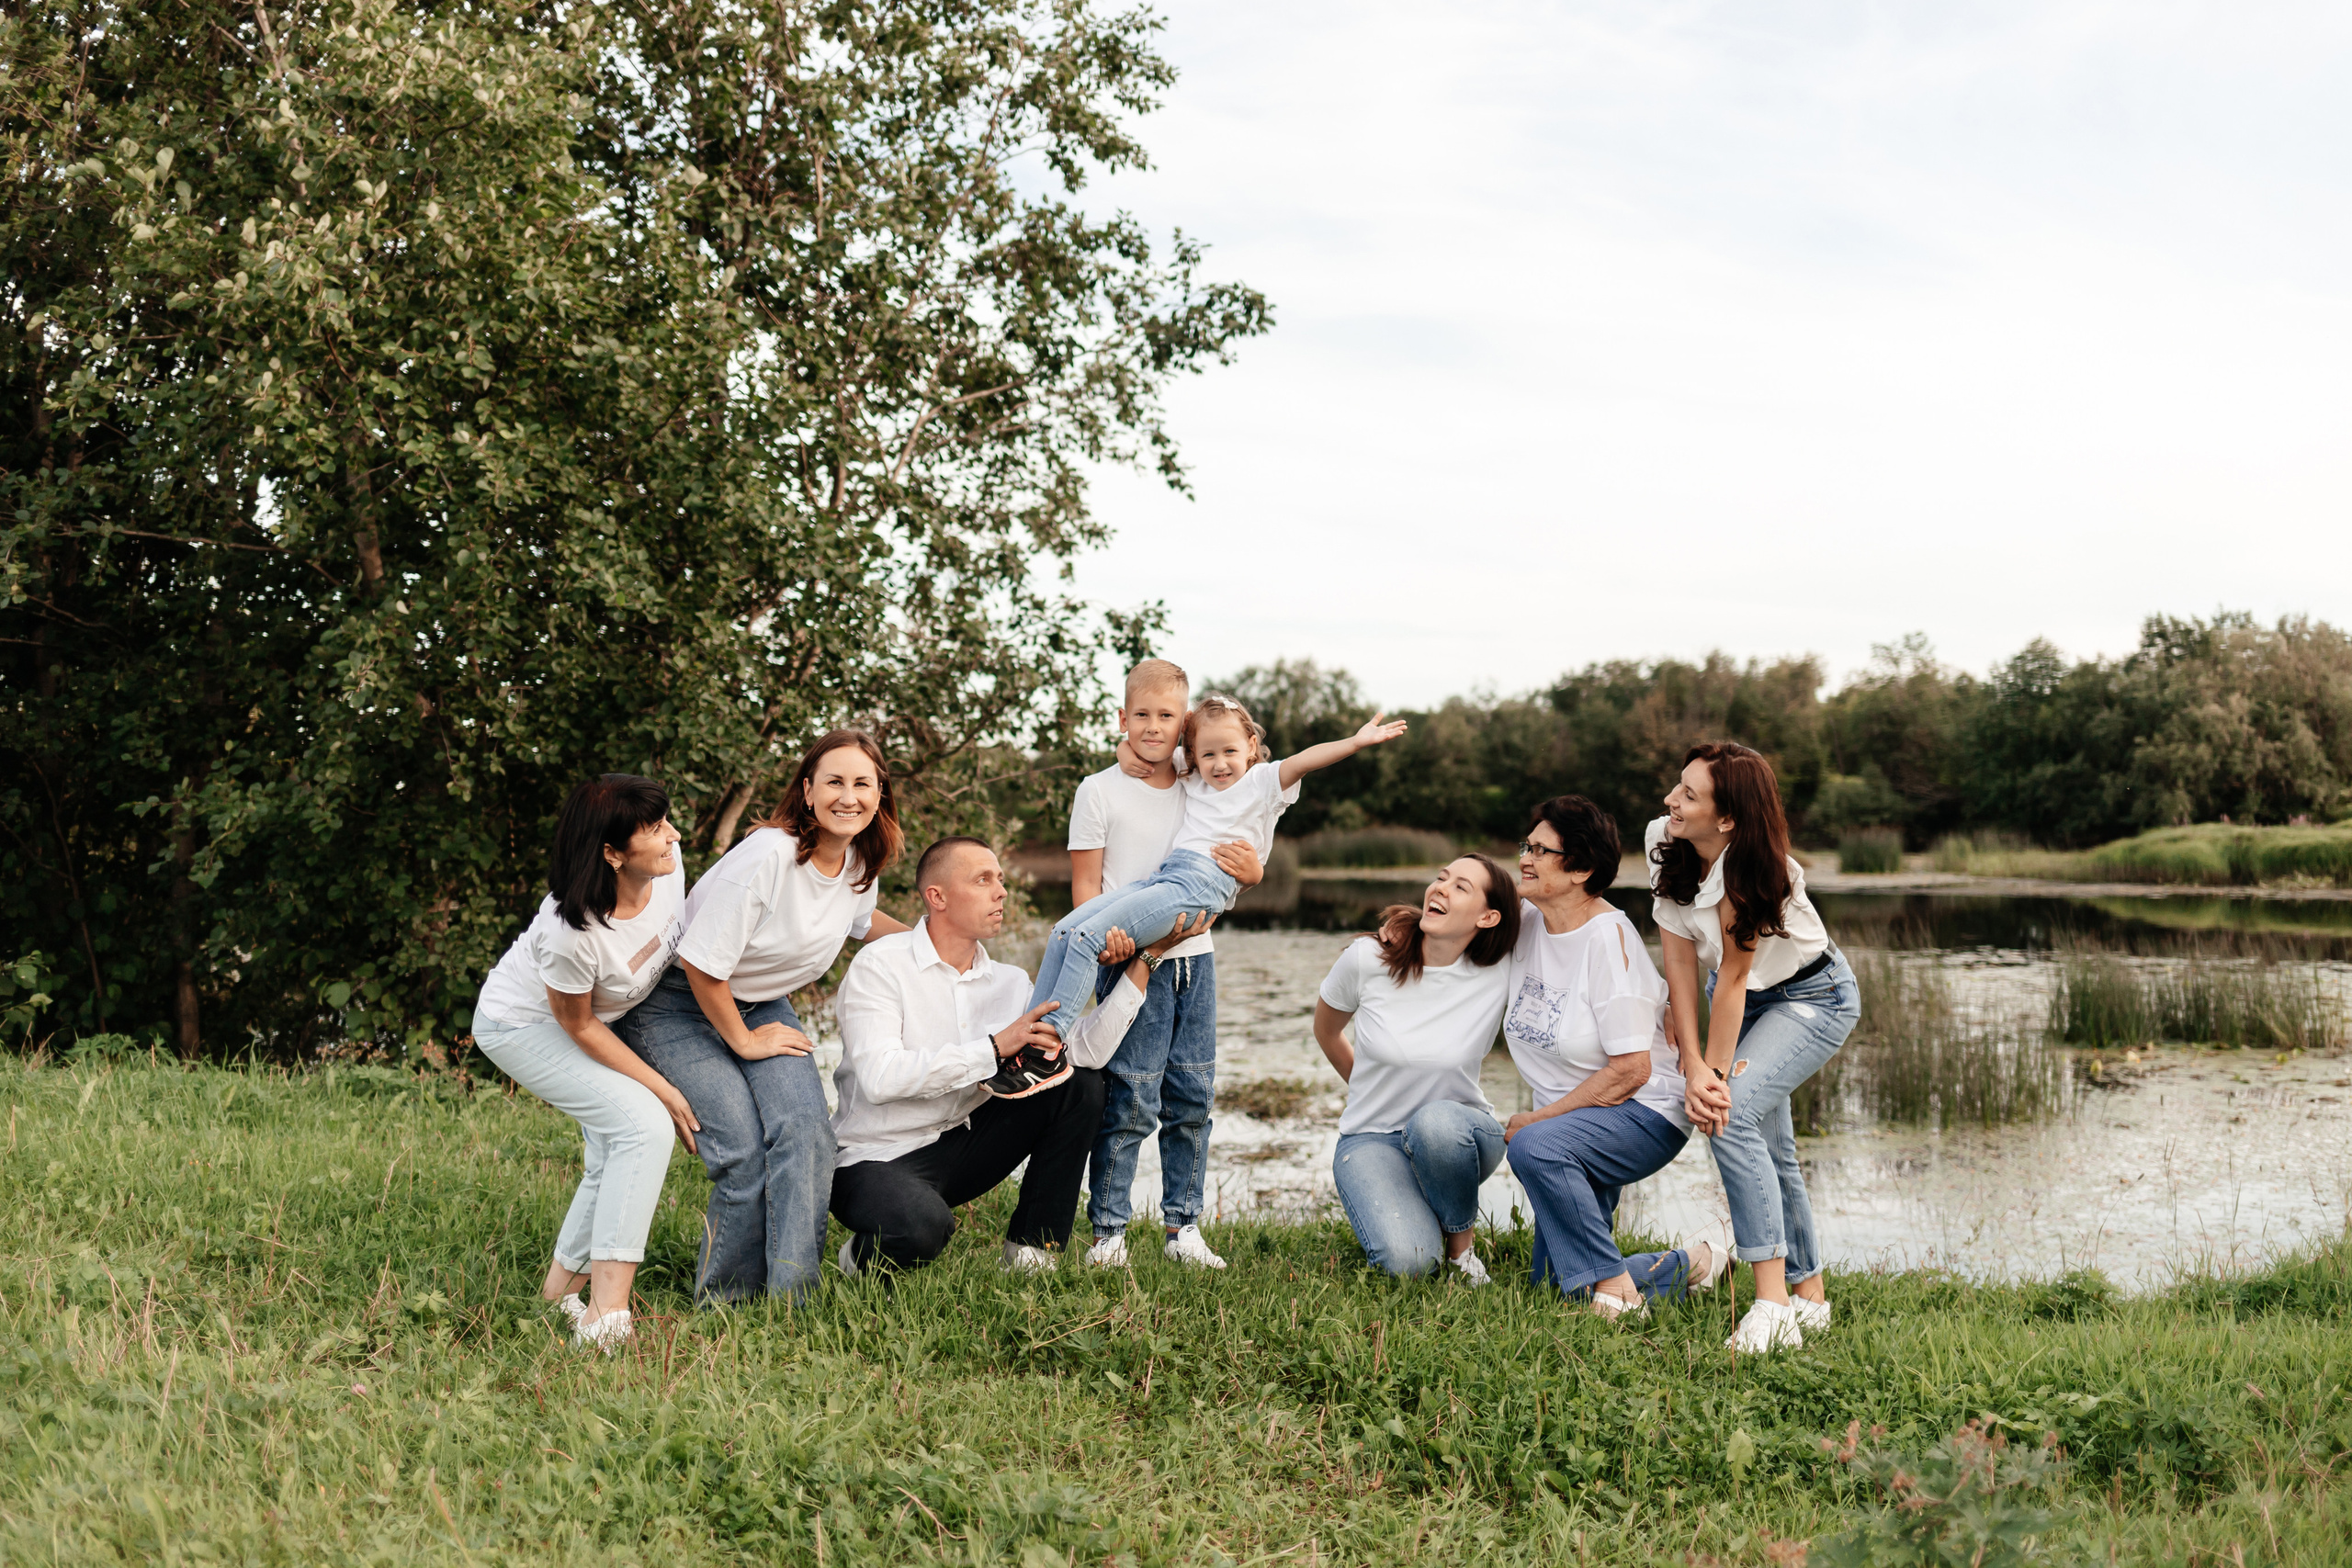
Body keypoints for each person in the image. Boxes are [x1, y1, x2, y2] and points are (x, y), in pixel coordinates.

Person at [618, 731, 913, 1307]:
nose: (847, 796)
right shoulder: (768, 857)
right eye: (834, 781)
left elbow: (863, 922)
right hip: (680, 1003)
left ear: (880, 794)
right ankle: (725, 1305)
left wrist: (940, 947)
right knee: (744, 1151)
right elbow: (702, 967)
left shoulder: (859, 858)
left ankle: (790, 1303)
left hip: (760, 1000)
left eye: (862, 783)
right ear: (807, 791)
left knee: (807, 1133)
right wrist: (745, 1042)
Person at [827, 836, 1215, 1273]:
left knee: (1079, 1085)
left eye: (1002, 880)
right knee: (920, 1228)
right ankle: (856, 1259)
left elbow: (1082, 1052)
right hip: (875, 1157)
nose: (1001, 892)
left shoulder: (1010, 982)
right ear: (937, 896)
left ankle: (1032, 1251)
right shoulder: (879, 966)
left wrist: (1146, 959)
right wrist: (995, 1048)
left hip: (964, 1142)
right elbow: (881, 1079)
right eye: (983, 880)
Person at [1020, 694, 1406, 1080]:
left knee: (1087, 938)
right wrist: (1124, 749)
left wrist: (1355, 743)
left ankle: (1047, 1050)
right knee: (1065, 930)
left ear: (1251, 746)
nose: (1219, 764)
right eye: (1208, 755)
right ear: (1194, 756)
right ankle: (1023, 1047)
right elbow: (1153, 750)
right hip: (1168, 875)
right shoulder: (1195, 777)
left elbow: (1306, 759)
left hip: (1203, 881)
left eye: (1230, 751)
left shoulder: (1262, 781)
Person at [470, 774, 700, 1352]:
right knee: (643, 1128)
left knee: (611, 1152)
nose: (674, 836)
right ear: (611, 852)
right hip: (523, 1027)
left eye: (667, 821)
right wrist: (664, 1091)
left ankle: (557, 1299)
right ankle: (608, 1318)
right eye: (655, 829)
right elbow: (576, 1024)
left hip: (593, 1022)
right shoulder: (572, 932)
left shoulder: (666, 874)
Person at [1652, 741, 1860, 1354]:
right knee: (1771, 1144)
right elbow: (1682, 963)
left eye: (1689, 794)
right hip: (1739, 992)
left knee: (1730, 1112)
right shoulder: (1664, 840)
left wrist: (1710, 1077)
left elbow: (1738, 979)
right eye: (1677, 786)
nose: (1671, 799)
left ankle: (1772, 1305)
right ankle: (1809, 1294)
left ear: (1728, 819)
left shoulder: (1760, 876)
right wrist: (1692, 1062)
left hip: (1810, 996)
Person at [1069, 658, 1265, 1273]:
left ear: (1183, 727)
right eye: (1142, 716)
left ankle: (1184, 1228)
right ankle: (1108, 1232)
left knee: (1193, 1097)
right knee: (1130, 1098)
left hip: (1196, 961)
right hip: (1131, 963)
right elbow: (1084, 896)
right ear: (1122, 720)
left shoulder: (1198, 782)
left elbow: (1235, 834)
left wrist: (1254, 874)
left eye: (1167, 717)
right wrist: (1118, 950)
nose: (1153, 728)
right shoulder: (1099, 789)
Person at [1499, 796, 1723, 1320]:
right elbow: (1473, 896)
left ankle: (1619, 1289)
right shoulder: (1529, 917)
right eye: (1525, 846)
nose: (1524, 859)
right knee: (1559, 1286)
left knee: (1532, 1146)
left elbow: (1633, 1070)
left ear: (1580, 869)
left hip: (1641, 1113)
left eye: (1540, 850)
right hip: (1576, 1122)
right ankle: (1692, 1263)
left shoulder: (1607, 938)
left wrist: (1538, 1120)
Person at [1314, 856, 1521, 1281]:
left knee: (1435, 1124)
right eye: (1441, 878)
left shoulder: (1501, 970)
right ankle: (1422, 1211)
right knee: (1409, 1264)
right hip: (1373, 1139)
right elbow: (1327, 1032)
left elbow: (1556, 915)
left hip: (1460, 1135)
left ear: (1488, 916)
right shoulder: (1367, 958)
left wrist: (1662, 1004)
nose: (1441, 888)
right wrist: (1368, 1089)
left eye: (1461, 887)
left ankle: (1461, 1252)